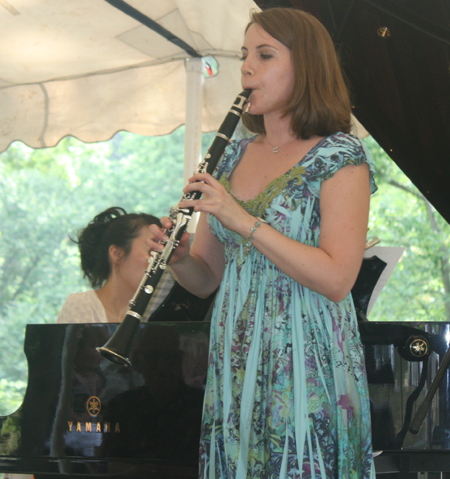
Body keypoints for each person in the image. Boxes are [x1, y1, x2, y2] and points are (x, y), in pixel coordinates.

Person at [149, 7, 377, 479]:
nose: (247, 67)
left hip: (309, 358)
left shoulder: (341, 155)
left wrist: (240, 217)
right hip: (236, 354)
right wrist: (177, 259)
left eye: (265, 55)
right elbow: (206, 279)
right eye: (244, 55)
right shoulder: (229, 154)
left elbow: (337, 279)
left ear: (307, 67)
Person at [57, 206, 164, 324]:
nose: (161, 260)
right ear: (117, 254)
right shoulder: (80, 307)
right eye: (152, 251)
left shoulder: (163, 307)